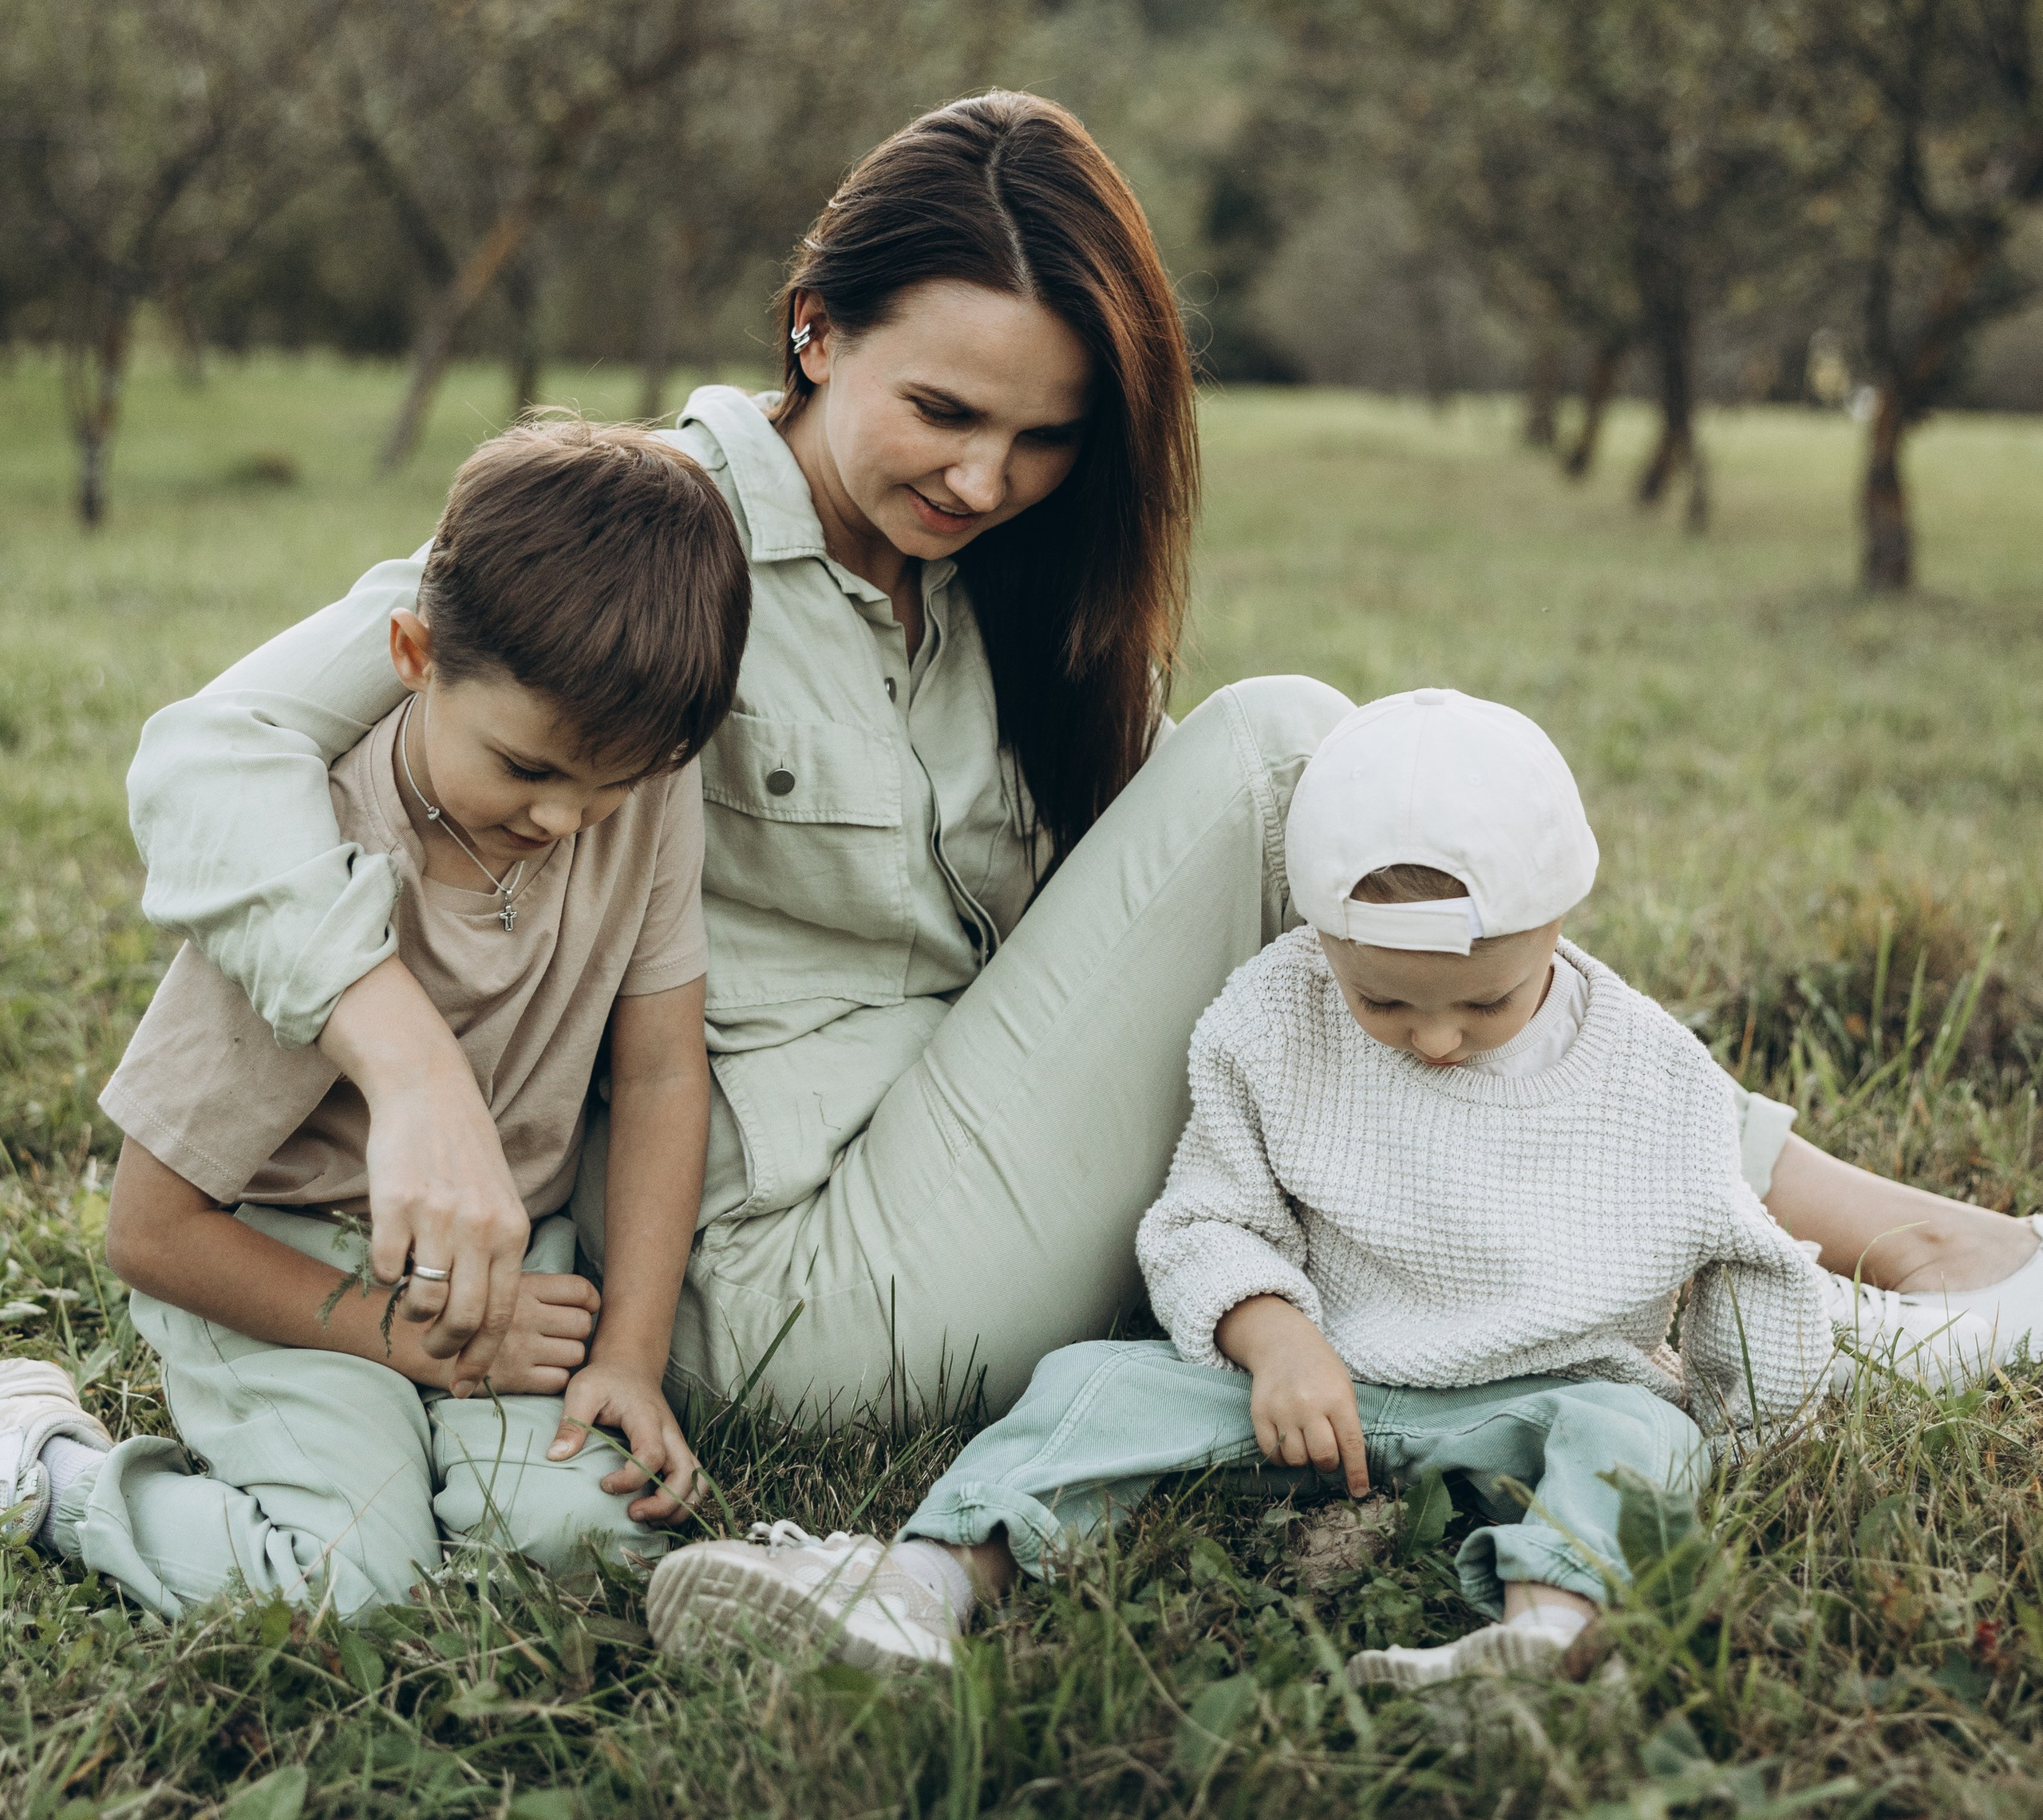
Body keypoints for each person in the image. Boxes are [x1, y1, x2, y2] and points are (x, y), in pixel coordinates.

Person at [115, 95, 2040, 1451]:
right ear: (813, 331)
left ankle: (1734, 1270)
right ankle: (1873, 1241)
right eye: (940, 410)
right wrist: (403, 1057)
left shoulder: (987, 591)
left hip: (991, 1156)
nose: (984, 479)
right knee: (1288, 751)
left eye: (1043, 441)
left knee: (1321, 866)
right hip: (795, 1274)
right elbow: (210, 748)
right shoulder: (646, 543)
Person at [638, 692, 1849, 1683]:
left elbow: (1746, 1260)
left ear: (1560, 917)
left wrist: (1755, 1419)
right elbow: (1207, 1219)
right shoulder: (1271, 1018)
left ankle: (1544, 1632)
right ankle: (919, 1585)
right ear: (1318, 931)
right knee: (1093, 1385)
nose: (1436, 1041)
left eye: (1486, 1003)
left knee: (1641, 1437)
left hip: (1541, 1399)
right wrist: (1275, 1342)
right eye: (1384, 1001)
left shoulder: (1649, 1071)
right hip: (1307, 1386)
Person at [0, 418, 749, 1617]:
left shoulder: (642, 794)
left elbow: (662, 1071)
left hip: (507, 1272)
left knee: (594, 1546)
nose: (567, 821)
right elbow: (150, 1230)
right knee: (356, 1587)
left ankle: (451, 1450)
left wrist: (629, 1357)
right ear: (411, 654)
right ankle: (49, 1471)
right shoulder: (306, 871)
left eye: (614, 783)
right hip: (280, 1272)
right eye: (528, 770)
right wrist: (410, 1341)